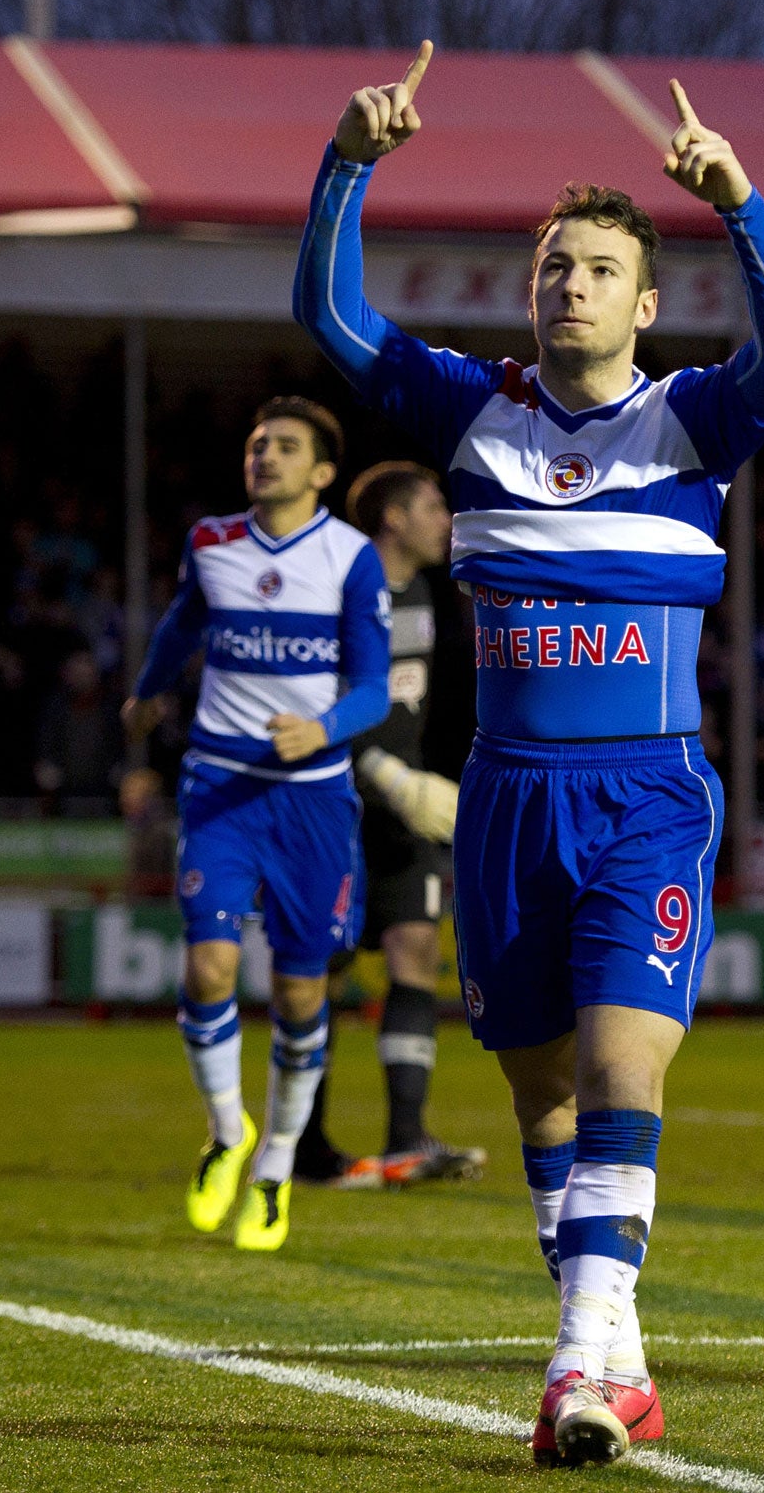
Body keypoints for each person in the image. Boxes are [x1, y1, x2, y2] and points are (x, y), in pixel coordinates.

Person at [295, 43, 764, 1465]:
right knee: (540, 1097)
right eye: (552, 265)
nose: (567, 282)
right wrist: (350, 162)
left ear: (646, 302)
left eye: (595, 267)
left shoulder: (692, 423)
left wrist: (739, 202)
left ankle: (577, 1365)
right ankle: (619, 1356)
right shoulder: (480, 413)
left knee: (618, 1072)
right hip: (509, 799)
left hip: (648, 795)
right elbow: (332, 321)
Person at [123, 397, 391, 1253]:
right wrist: (147, 690)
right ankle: (226, 1131)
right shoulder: (212, 543)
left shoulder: (351, 559)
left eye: (284, 446)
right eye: (255, 443)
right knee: (209, 967)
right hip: (221, 789)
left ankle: (274, 1165)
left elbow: (374, 687)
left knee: (303, 991)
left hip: (312, 799)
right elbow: (182, 625)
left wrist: (326, 728)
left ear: (321, 473)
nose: (263, 455)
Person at [294, 460, 486, 1189]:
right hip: (335, 805)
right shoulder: (339, 589)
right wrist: (384, 773)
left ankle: (406, 1139)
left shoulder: (428, 593)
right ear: (394, 518)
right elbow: (311, 698)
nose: (446, 520)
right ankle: (304, 1145)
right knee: (319, 975)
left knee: (412, 949)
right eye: (434, 507)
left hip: (400, 816)